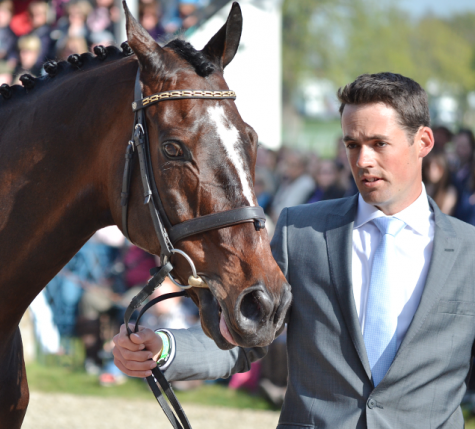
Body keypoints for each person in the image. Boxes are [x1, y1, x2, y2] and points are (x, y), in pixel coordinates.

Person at [113, 72, 475, 428]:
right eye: (352, 144)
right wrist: (161, 347)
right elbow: (246, 338)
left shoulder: (468, 252)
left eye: (379, 144)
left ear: (424, 142)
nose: (362, 160)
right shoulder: (301, 231)